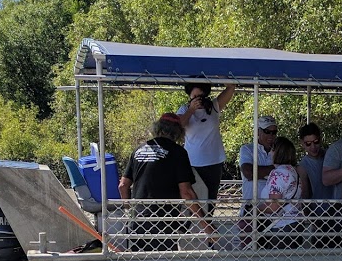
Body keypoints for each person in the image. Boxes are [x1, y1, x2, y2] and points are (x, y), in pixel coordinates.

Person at [119, 113, 217, 250]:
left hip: (138, 220)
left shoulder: (138, 150)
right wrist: (206, 225)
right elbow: (187, 192)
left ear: (157, 128)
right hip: (164, 221)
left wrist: (129, 211)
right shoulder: (178, 152)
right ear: (179, 132)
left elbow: (123, 185)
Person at [178, 81, 236, 209]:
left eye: (201, 97)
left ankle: (207, 225)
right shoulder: (184, 109)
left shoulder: (214, 106)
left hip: (213, 162)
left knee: (209, 200)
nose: (198, 100)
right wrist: (191, 110)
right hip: (191, 164)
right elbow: (177, 127)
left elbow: (231, 87)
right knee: (191, 200)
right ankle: (189, 228)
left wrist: (216, 74)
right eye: (194, 97)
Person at [258, 137, 304, 248]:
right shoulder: (293, 172)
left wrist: (255, 209)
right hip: (296, 224)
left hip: (282, 226)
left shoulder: (278, 174)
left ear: (277, 152)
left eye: (272, 150)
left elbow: (274, 205)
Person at [239, 116, 278, 211]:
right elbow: (248, 173)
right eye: (267, 131)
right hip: (251, 208)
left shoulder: (280, 150)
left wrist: (260, 173)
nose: (271, 135)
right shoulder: (247, 149)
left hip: (273, 210)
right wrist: (276, 170)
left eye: (274, 132)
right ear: (257, 131)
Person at [298, 123, 328, 202]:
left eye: (316, 142)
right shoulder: (303, 166)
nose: (313, 147)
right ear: (302, 143)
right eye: (308, 144)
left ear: (320, 139)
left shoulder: (331, 155)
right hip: (317, 211)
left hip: (339, 208)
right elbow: (305, 194)